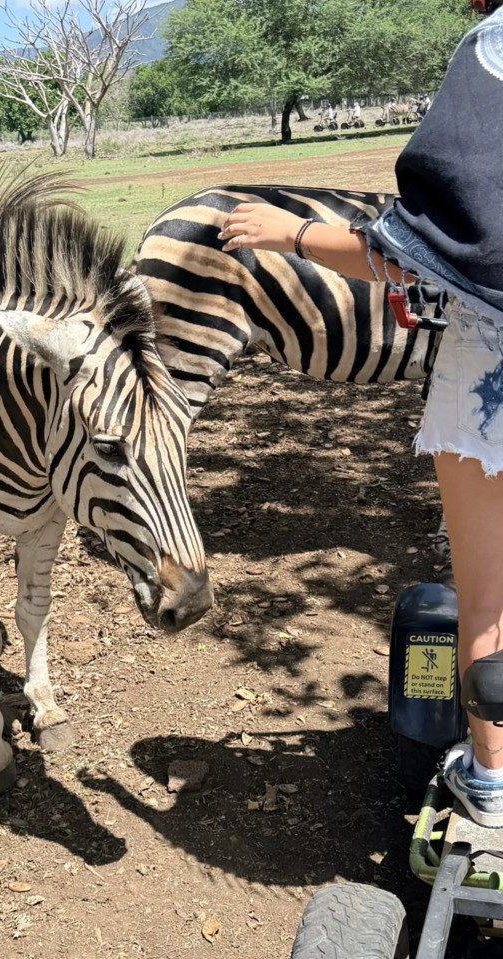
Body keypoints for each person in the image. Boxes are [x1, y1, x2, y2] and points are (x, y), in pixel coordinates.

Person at [218, 0, 503, 827]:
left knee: (486, 601)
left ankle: (491, 782)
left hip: (486, 392)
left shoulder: (491, 49)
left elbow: (421, 249)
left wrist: (295, 234)